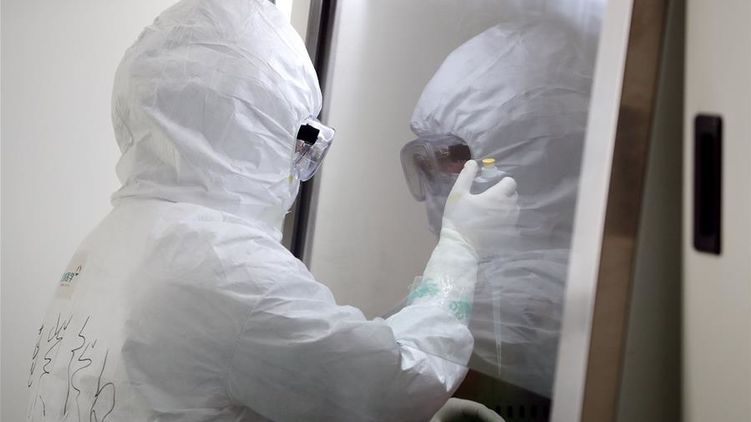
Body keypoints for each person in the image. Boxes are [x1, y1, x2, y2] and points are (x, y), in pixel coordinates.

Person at [24, 0, 518, 421]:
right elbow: (395, 383)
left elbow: (225, 380)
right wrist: (461, 247)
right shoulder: (229, 270)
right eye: (301, 135)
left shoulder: (118, 236)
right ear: (258, 126)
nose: (301, 162)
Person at [402, 19, 595, 399]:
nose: (437, 177)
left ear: (538, 157)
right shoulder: (491, 283)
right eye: (428, 159)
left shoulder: (509, 308)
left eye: (455, 156)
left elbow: (395, 376)